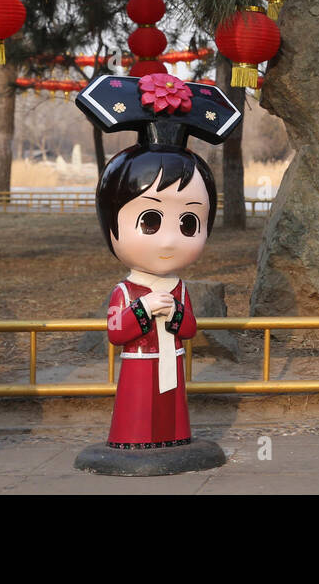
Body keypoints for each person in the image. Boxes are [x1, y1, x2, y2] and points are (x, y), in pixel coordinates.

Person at [73, 72, 242, 473]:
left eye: (188, 224)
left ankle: (174, 439)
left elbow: (190, 328)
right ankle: (133, 441)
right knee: (138, 409)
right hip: (139, 362)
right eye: (150, 221)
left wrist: (177, 313)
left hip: (173, 359)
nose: (169, 241)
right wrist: (145, 308)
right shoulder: (127, 290)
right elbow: (116, 332)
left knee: (171, 411)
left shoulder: (178, 287)